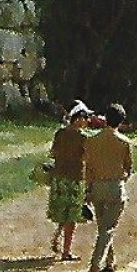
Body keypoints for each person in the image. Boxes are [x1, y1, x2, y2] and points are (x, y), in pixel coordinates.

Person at [83, 102, 133, 272]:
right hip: (115, 187)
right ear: (121, 121)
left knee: (104, 227)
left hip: (97, 186)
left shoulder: (92, 141)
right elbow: (129, 169)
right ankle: (95, 264)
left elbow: (88, 168)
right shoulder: (124, 143)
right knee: (108, 229)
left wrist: (88, 190)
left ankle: (110, 261)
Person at [46, 102, 91, 260]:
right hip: (75, 178)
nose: (87, 120)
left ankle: (57, 238)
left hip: (59, 178)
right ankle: (66, 251)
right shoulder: (83, 137)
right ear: (77, 118)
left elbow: (53, 153)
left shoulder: (60, 133)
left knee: (62, 213)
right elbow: (87, 158)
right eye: (85, 117)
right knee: (72, 217)